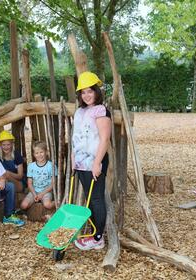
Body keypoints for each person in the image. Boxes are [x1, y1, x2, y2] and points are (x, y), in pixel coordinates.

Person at [72, 71, 111, 250]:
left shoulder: (101, 110)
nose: (87, 95)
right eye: (83, 92)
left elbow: (104, 139)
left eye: (90, 91)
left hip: (95, 162)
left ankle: (98, 238)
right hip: (81, 163)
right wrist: (73, 158)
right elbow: (77, 137)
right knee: (89, 198)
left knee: (96, 199)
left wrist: (97, 163)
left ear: (96, 91)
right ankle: (95, 234)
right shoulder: (79, 111)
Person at [20, 141, 56, 211]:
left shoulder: (51, 166)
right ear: (34, 154)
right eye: (37, 153)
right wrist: (34, 194)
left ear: (46, 152)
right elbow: (30, 184)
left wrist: (41, 194)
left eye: (41, 152)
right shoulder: (31, 166)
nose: (39, 155)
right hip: (34, 191)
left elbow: (52, 184)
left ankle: (59, 203)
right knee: (23, 205)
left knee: (47, 205)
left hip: (46, 192)